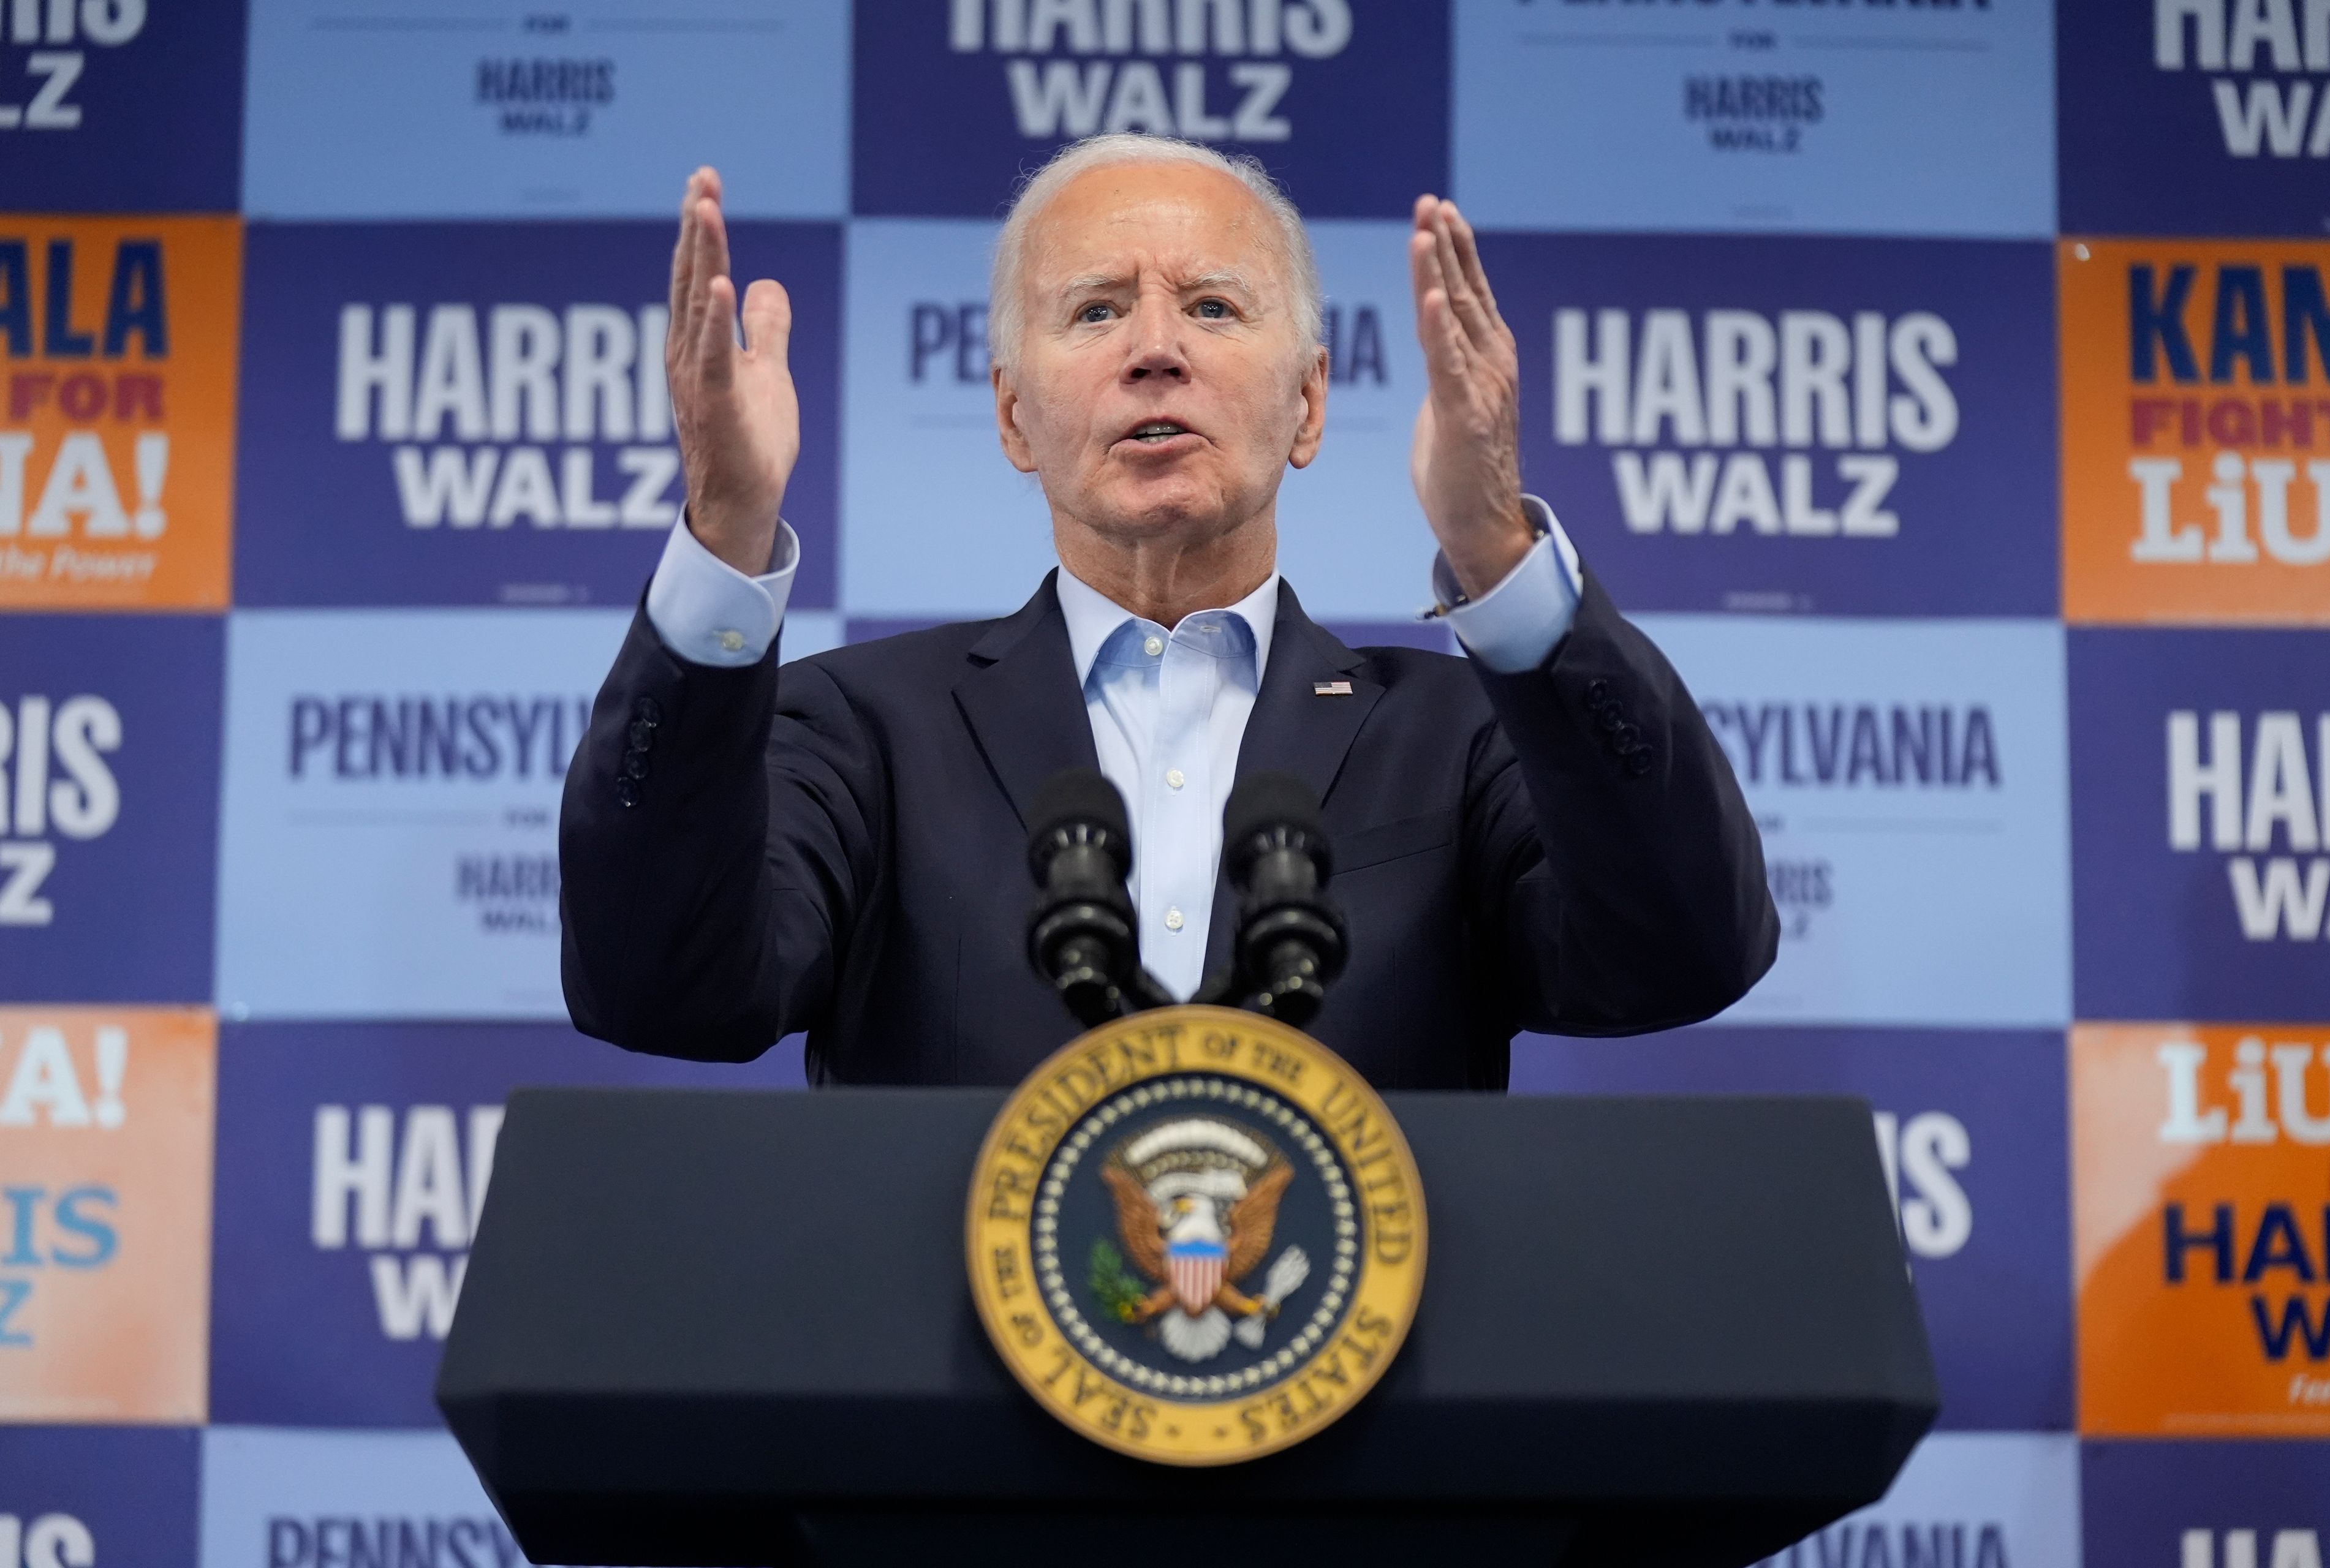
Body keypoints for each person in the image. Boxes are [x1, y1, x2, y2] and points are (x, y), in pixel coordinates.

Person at [558, 134, 1775, 1090]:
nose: (1153, 349)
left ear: (1306, 408)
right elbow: (664, 988)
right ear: (1011, 414)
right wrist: (723, 535)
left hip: (1368, 1392)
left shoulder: (1455, 736)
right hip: (965, 1395)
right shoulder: (858, 728)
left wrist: (1495, 550)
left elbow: (1679, 954)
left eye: (1210, 306)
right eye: (1094, 310)